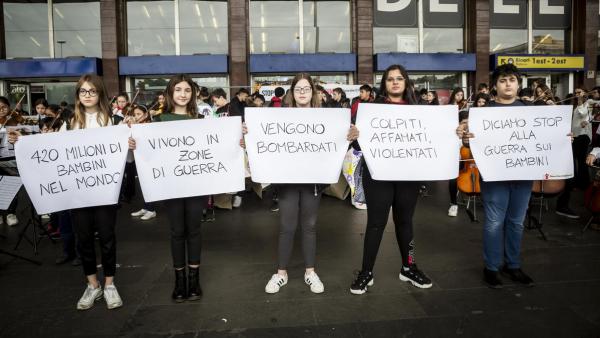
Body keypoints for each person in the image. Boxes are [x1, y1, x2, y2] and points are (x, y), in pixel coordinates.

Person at [10, 74, 124, 309]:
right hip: (78, 192)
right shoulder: (69, 120)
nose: (88, 95)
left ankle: (110, 284)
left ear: (100, 93)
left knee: (107, 239)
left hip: (106, 191)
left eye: (92, 91)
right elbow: (51, 147)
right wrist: (24, 141)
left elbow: (125, 155)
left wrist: (131, 144)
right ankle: (93, 285)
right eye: (83, 91)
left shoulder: (114, 120)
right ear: (78, 95)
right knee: (83, 240)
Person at [252, 73, 356, 295]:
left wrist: (349, 135)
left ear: (312, 91)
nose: (302, 92)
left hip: (313, 182)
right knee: (287, 227)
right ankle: (281, 273)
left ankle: (310, 272)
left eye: (306, 88)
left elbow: (338, 142)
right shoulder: (279, 118)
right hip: (288, 181)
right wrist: (248, 135)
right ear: (292, 92)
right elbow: (263, 139)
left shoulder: (325, 118)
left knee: (309, 227)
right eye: (298, 88)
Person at [349, 64, 433, 295]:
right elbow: (358, 145)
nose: (395, 82)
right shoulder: (372, 109)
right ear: (384, 83)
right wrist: (354, 136)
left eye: (399, 78)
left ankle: (409, 266)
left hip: (409, 176)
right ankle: (366, 272)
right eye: (390, 79)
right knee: (376, 223)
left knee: (405, 221)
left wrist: (454, 133)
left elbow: (434, 139)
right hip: (378, 175)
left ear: (406, 82)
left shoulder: (421, 109)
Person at [129, 74, 213, 303]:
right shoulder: (159, 120)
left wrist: (238, 137)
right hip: (172, 186)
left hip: (196, 185)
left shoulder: (201, 120)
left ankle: (194, 280)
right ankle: (180, 280)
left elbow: (215, 145)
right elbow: (151, 153)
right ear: (170, 93)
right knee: (177, 232)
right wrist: (136, 143)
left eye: (187, 90)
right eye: (178, 90)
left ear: (193, 94)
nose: (183, 94)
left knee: (194, 230)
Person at [456, 64, 537, 289]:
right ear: (495, 85)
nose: (508, 84)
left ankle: (513, 265)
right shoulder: (483, 113)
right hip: (494, 177)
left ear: (518, 84)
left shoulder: (531, 112)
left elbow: (542, 140)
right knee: (494, 222)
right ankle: (491, 268)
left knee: (516, 222)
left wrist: (562, 138)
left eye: (512, 79)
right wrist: (465, 138)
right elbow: (469, 144)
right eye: (503, 80)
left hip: (523, 174)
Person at [555, 86, 592, 219]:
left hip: (582, 136)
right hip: (574, 136)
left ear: (585, 93)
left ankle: (582, 184)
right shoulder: (576, 104)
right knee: (574, 160)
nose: (577, 94)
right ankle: (577, 182)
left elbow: (584, 115)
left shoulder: (587, 104)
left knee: (579, 160)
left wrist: (581, 101)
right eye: (576, 93)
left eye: (579, 92)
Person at [126, 104, 157, 220]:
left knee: (149, 184)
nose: (136, 117)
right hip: (138, 159)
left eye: (139, 114)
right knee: (142, 184)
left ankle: (151, 209)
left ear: (146, 114)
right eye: (134, 114)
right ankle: (145, 207)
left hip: (149, 160)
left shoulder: (149, 126)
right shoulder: (135, 126)